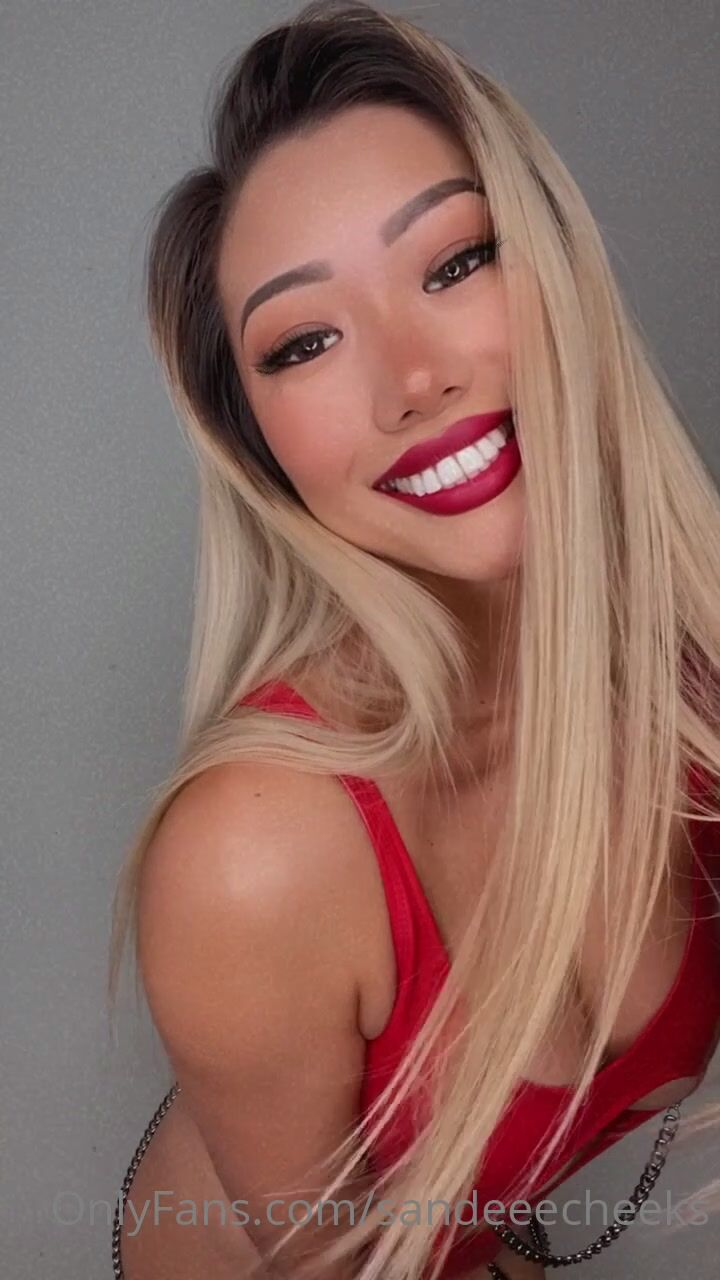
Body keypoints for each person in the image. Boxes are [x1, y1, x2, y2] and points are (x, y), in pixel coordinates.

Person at [107, 3, 720, 1278]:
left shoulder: (694, 676)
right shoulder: (253, 853)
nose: (411, 377)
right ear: (260, 446)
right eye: (305, 341)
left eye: (454, 263)